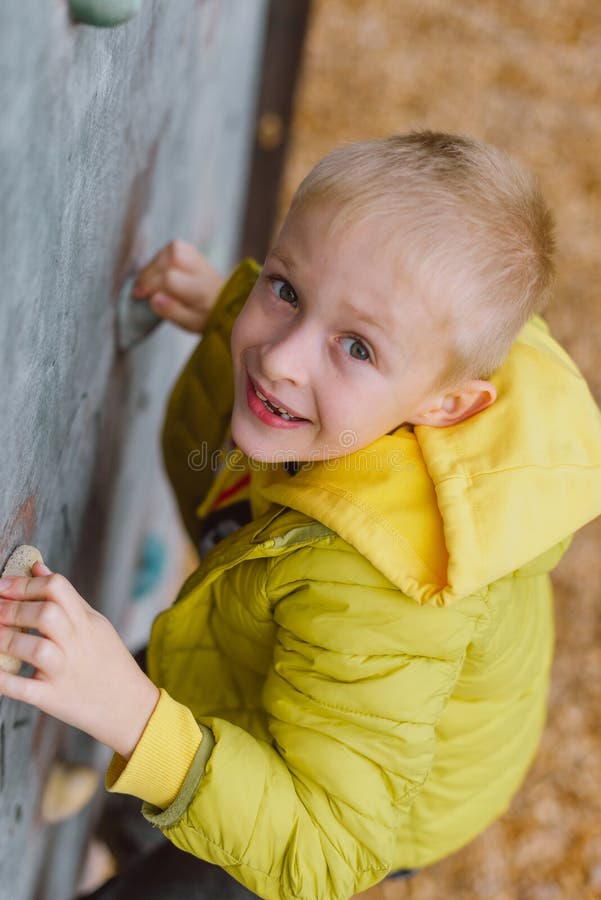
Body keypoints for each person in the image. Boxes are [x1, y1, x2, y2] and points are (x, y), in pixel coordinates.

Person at [1, 131, 601, 900]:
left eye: (355, 346)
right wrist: (228, 307)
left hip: (337, 806)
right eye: (285, 288)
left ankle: (139, 840)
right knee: (165, 706)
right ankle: (128, 827)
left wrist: (133, 714)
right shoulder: (411, 359)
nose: (281, 358)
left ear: (445, 407)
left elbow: (326, 846)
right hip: (282, 670)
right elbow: (336, 313)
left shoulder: (388, 592)